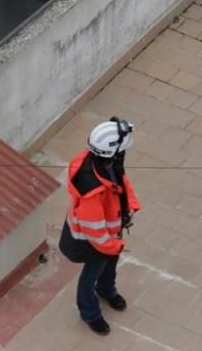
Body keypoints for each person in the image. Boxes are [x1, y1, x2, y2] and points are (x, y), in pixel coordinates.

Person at [59, 117, 141, 336]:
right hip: (93, 241)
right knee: (91, 274)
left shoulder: (105, 163)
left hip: (109, 235)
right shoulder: (91, 192)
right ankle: (90, 313)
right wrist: (112, 246)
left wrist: (131, 204)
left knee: (110, 264)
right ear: (111, 153)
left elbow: (122, 181)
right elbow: (93, 228)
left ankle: (106, 290)